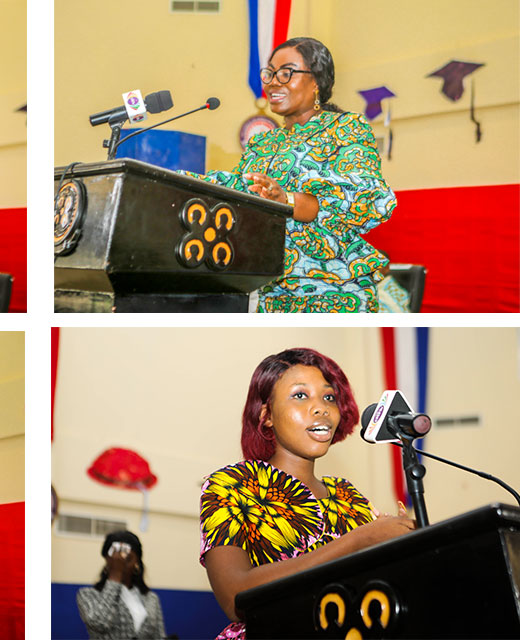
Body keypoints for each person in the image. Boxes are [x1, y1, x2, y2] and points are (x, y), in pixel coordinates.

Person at [199, 348, 416, 639]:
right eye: (300, 395)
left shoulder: (349, 497)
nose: (321, 408)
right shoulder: (232, 485)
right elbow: (235, 597)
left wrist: (402, 546)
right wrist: (361, 539)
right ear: (266, 416)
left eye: (329, 397)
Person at [185, 38, 396, 312]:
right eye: (270, 73)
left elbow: (369, 198)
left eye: (286, 73)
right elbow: (235, 190)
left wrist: (288, 200)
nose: (273, 82)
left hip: (330, 293)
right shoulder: (262, 143)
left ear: (316, 81)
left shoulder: (345, 128)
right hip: (266, 294)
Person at [76, 530, 167, 639]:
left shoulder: (151, 599)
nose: (120, 563)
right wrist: (115, 575)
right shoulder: (88, 595)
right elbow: (99, 623)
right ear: (107, 561)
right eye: (115, 559)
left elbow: (159, 636)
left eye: (127, 559)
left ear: (137, 563)